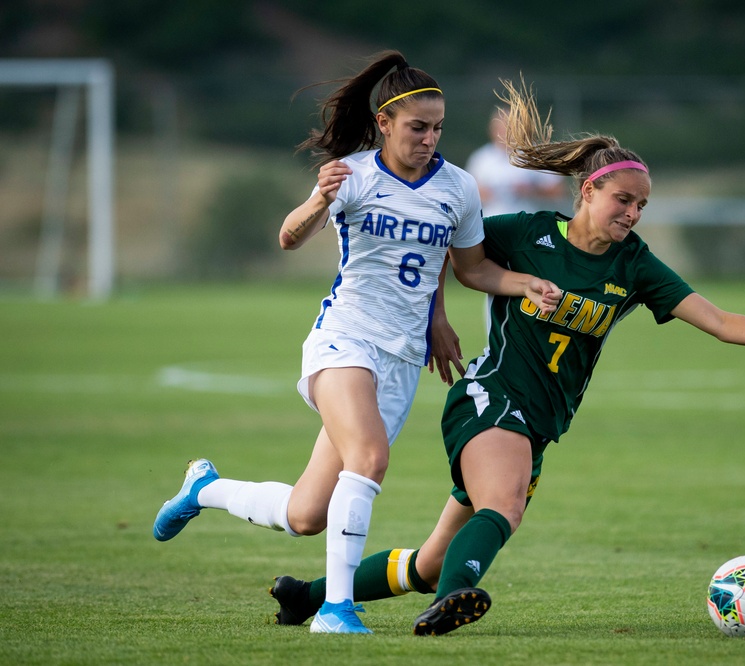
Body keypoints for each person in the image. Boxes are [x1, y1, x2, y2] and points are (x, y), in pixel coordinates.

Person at [265, 78, 745, 636]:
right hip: (491, 396)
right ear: (588, 190)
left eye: (642, 206)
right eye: (623, 199)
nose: (632, 213)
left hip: (543, 420)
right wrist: (435, 318)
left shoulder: (635, 266)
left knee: (430, 562)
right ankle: (452, 602)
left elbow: (720, 321)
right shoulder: (525, 233)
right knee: (504, 507)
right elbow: (440, 244)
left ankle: (307, 597)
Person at [151, 51, 561, 636]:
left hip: (400, 361)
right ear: (384, 124)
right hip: (344, 340)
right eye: (418, 127)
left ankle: (205, 488)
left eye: (438, 127)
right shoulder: (354, 174)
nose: (429, 138)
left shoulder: (459, 188)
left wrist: (523, 285)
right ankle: (336, 611)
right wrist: (319, 198)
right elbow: (289, 237)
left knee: (305, 514)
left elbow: (471, 268)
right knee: (369, 459)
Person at [465, 105, 567, 217]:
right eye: (500, 127)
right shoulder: (481, 159)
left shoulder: (536, 155)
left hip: (530, 225)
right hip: (491, 226)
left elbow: (558, 191)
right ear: (491, 130)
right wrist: (484, 194)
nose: (504, 133)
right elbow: (467, 196)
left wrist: (532, 190)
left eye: (509, 127)